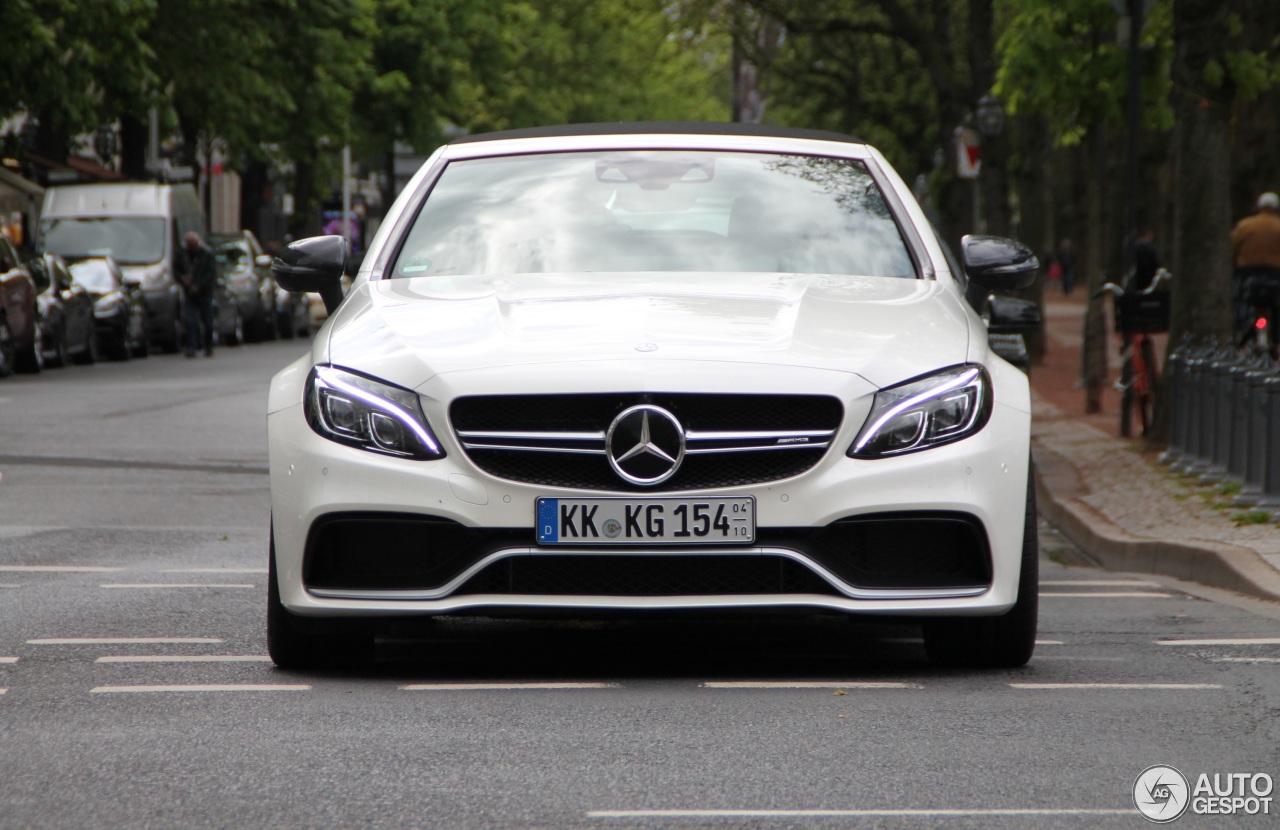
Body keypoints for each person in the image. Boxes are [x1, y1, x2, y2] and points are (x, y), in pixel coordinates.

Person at [1230, 192, 1280, 346]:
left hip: (1247, 275)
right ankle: (1276, 339)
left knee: (1241, 302)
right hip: (1275, 276)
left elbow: (1232, 248)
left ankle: (1242, 332)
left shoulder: (1244, 226)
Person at [180, 231, 217, 357]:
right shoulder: (183, 255)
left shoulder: (207, 254)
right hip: (189, 293)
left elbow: (210, 274)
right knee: (189, 320)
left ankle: (208, 345)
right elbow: (177, 269)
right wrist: (183, 280)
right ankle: (191, 346)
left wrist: (199, 285)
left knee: (207, 320)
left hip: (204, 293)